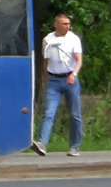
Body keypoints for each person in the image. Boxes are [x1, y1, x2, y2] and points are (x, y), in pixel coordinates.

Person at [32, 13, 84, 156]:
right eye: (64, 24)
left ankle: (75, 146)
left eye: (68, 24)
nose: (67, 26)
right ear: (57, 25)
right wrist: (45, 78)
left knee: (74, 114)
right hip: (54, 80)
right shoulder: (48, 39)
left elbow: (79, 60)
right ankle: (42, 143)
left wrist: (73, 74)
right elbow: (46, 61)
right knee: (49, 112)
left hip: (69, 79)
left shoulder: (73, 39)